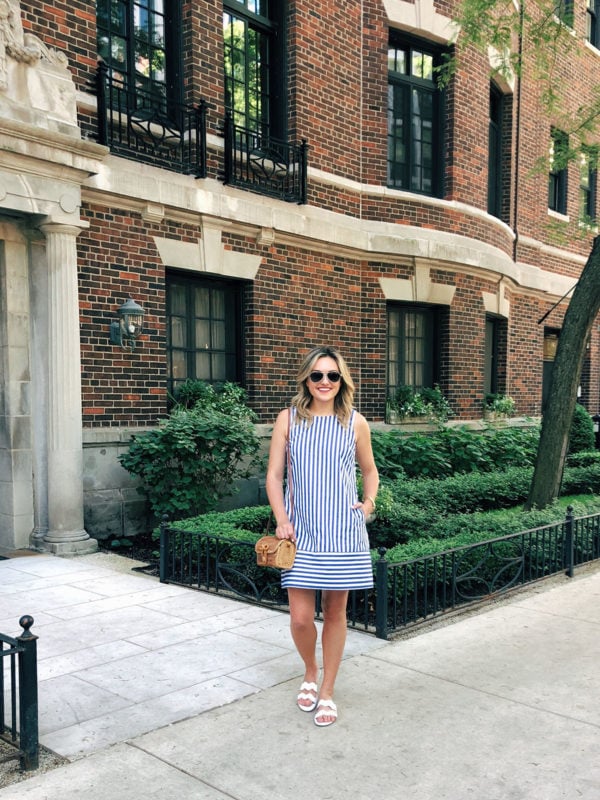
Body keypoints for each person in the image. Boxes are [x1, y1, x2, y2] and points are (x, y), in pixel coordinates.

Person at [265, 345, 379, 727]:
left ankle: (327, 690)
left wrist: (368, 503)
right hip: (301, 533)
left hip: (342, 532)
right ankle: (310, 671)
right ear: (306, 380)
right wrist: (281, 518)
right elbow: (274, 476)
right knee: (300, 618)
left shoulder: (355, 423)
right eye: (317, 375)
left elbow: (370, 471)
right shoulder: (288, 419)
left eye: (332, 375)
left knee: (335, 613)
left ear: (342, 380)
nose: (325, 382)